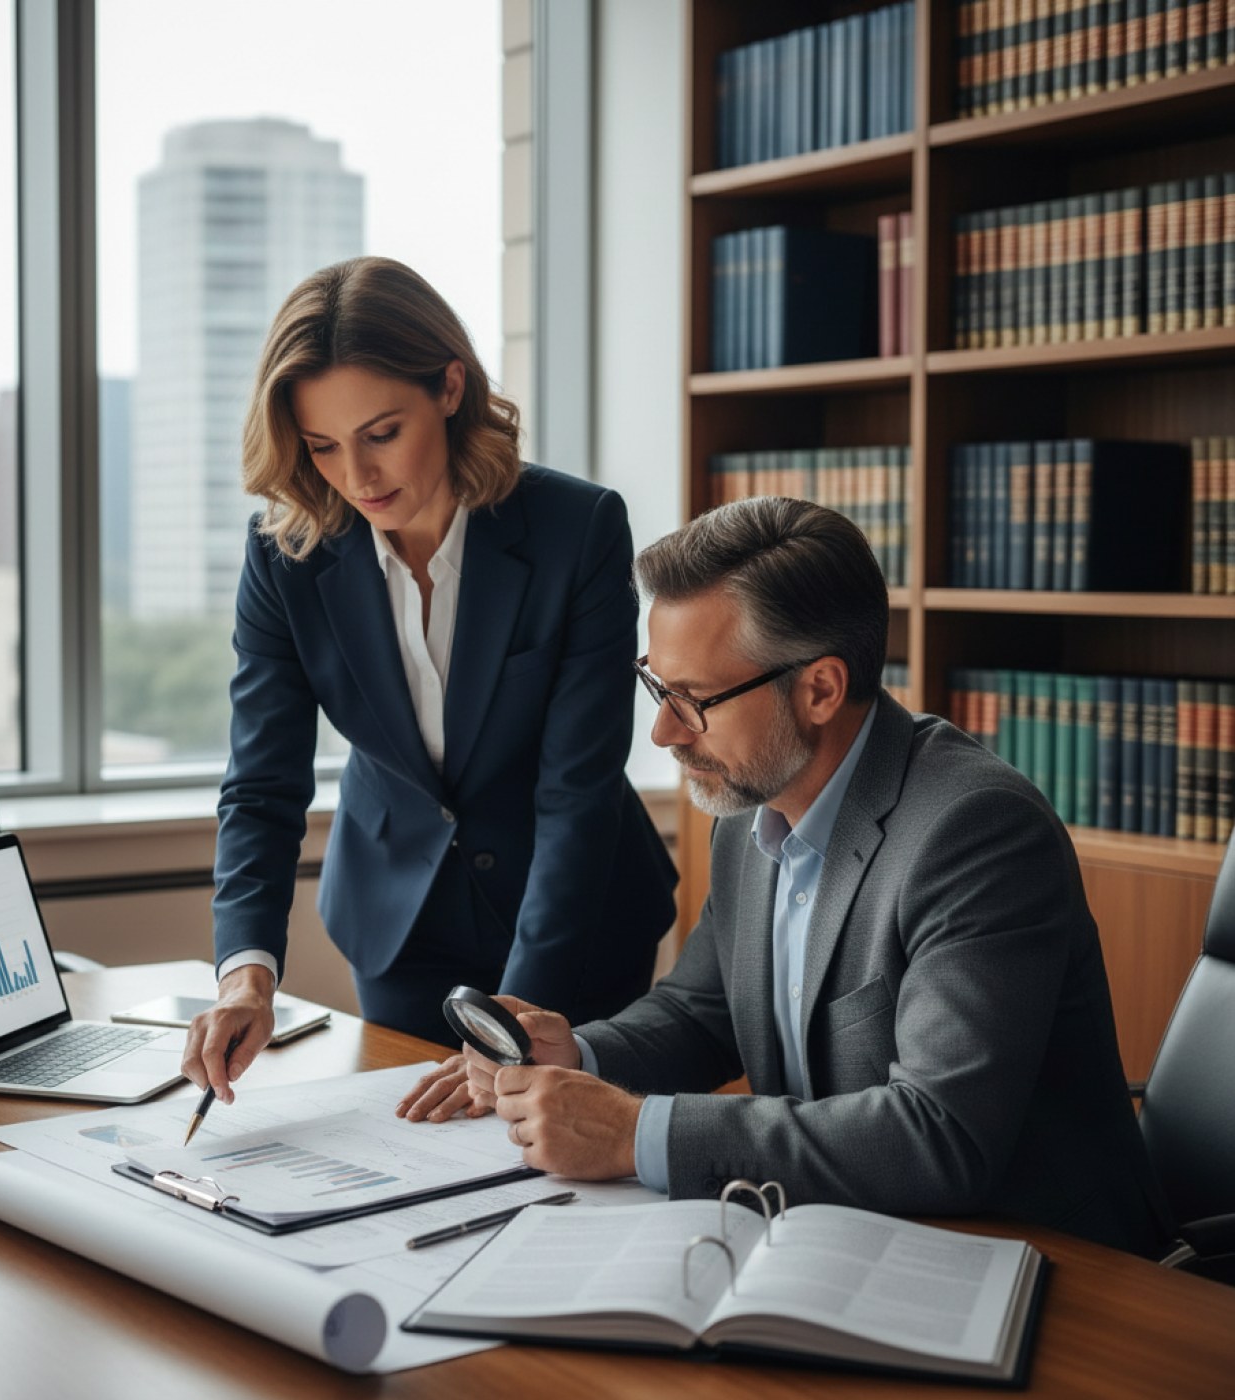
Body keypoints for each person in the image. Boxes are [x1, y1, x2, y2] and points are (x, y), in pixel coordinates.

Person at [459, 496, 1172, 1257]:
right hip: (848, 1236)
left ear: (821, 690)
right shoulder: (750, 806)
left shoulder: (976, 833)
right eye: (658, 687)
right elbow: (702, 1012)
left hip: (1041, 1260)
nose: (664, 732)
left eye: (692, 699)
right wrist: (578, 1055)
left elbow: (940, 1135)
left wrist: (636, 1133)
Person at [182, 256, 677, 1114]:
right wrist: (246, 975)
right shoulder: (285, 556)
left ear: (450, 387)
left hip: (577, 926)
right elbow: (261, 784)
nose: (357, 477)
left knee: (566, 1156)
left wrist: (514, 1020)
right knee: (415, 1156)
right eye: (323, 446)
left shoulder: (576, 529)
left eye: (381, 433)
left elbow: (578, 790)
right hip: (399, 927)